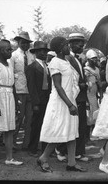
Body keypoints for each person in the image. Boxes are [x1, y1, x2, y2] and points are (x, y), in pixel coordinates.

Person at [37, 36, 87, 173]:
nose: (68, 47)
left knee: (71, 132)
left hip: (70, 99)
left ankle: (71, 163)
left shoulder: (67, 61)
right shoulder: (55, 63)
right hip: (61, 102)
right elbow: (58, 87)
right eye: (66, 45)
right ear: (59, 48)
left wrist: (73, 100)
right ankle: (43, 158)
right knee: (58, 131)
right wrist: (70, 105)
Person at [56, 33, 90, 162]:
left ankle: (77, 152)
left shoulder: (78, 59)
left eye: (82, 42)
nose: (81, 45)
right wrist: (80, 84)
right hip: (72, 97)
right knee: (68, 125)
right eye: (77, 42)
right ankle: (60, 149)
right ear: (70, 44)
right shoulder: (67, 59)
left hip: (80, 96)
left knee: (80, 126)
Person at [26, 41, 51, 157]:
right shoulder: (31, 67)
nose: (43, 53)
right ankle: (32, 148)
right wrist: (35, 103)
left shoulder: (48, 66)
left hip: (48, 99)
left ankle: (46, 149)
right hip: (38, 100)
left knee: (47, 124)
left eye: (45, 51)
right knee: (36, 124)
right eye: (41, 51)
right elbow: (31, 86)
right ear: (35, 52)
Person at [10, 31, 35, 150]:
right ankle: (12, 142)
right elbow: (11, 74)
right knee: (18, 118)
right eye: (23, 42)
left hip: (30, 90)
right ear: (18, 42)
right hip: (18, 90)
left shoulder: (31, 55)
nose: (25, 45)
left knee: (30, 118)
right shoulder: (13, 55)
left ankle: (27, 143)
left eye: (27, 43)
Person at [84, 49, 102, 145]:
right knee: (88, 116)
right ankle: (87, 138)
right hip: (88, 94)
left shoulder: (97, 69)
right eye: (93, 59)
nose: (95, 61)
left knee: (94, 115)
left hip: (94, 94)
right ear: (88, 59)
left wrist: (101, 95)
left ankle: (91, 136)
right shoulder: (86, 70)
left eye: (96, 59)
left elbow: (99, 84)